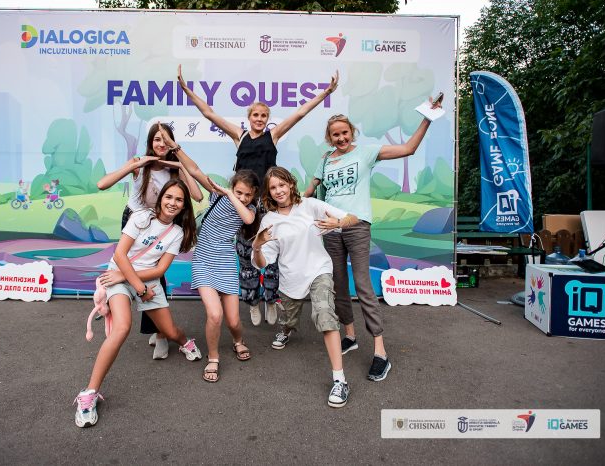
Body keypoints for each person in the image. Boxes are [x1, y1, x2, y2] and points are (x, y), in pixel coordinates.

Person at [178, 65, 339, 327]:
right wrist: (187, 89)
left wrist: (325, 93)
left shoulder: (272, 136)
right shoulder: (239, 136)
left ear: (267, 119)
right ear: (249, 116)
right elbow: (208, 112)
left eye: (264, 115)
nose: (260, 118)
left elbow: (300, 113)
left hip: (267, 204)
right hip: (243, 204)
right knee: (246, 254)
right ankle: (252, 301)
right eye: (256, 114)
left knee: (273, 251)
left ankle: (270, 298)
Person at [303, 99, 442, 382]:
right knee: (338, 285)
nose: (340, 138)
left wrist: (426, 118)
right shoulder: (325, 160)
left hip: (356, 226)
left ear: (352, 132)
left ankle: (380, 352)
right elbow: (310, 192)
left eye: (344, 133)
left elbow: (408, 149)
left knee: (364, 286)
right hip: (330, 229)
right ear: (329, 138)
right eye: (335, 135)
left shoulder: (366, 153)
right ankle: (350, 337)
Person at [74, 179, 202, 428]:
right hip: (119, 275)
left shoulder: (177, 233)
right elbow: (120, 255)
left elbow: (161, 268)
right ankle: (89, 393)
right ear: (161, 197)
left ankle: (185, 342)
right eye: (169, 197)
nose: (172, 203)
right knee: (122, 327)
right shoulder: (141, 217)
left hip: (145, 279)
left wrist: (138, 285)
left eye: (179, 199)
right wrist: (133, 284)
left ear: (184, 205)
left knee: (170, 331)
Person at [156, 124, 258, 383]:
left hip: (226, 263)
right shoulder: (215, 196)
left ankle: (238, 340)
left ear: (254, 196)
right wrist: (174, 147)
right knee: (215, 314)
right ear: (232, 186)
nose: (243, 197)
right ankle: (213, 358)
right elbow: (194, 169)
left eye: (248, 194)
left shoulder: (249, 209)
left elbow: (246, 219)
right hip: (203, 260)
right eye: (239, 192)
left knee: (234, 321)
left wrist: (230, 195)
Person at [252, 166, 359, 408]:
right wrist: (257, 246)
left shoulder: (310, 205)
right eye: (273, 187)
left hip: (319, 270)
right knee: (290, 318)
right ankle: (287, 330)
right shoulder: (269, 221)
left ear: (291, 184)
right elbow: (261, 263)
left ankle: (340, 380)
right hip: (290, 279)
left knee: (325, 315)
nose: (279, 190)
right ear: (268, 193)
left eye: (282, 184)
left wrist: (338, 222)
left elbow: (353, 218)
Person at [97, 123, 203, 359]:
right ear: (150, 142)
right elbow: (102, 184)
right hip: (137, 220)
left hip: (162, 223)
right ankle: (156, 328)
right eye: (157, 139)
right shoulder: (140, 164)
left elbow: (197, 195)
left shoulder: (175, 171)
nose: (161, 144)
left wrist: (177, 163)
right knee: (133, 267)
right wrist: (134, 164)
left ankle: (162, 333)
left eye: (166, 139)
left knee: (157, 277)